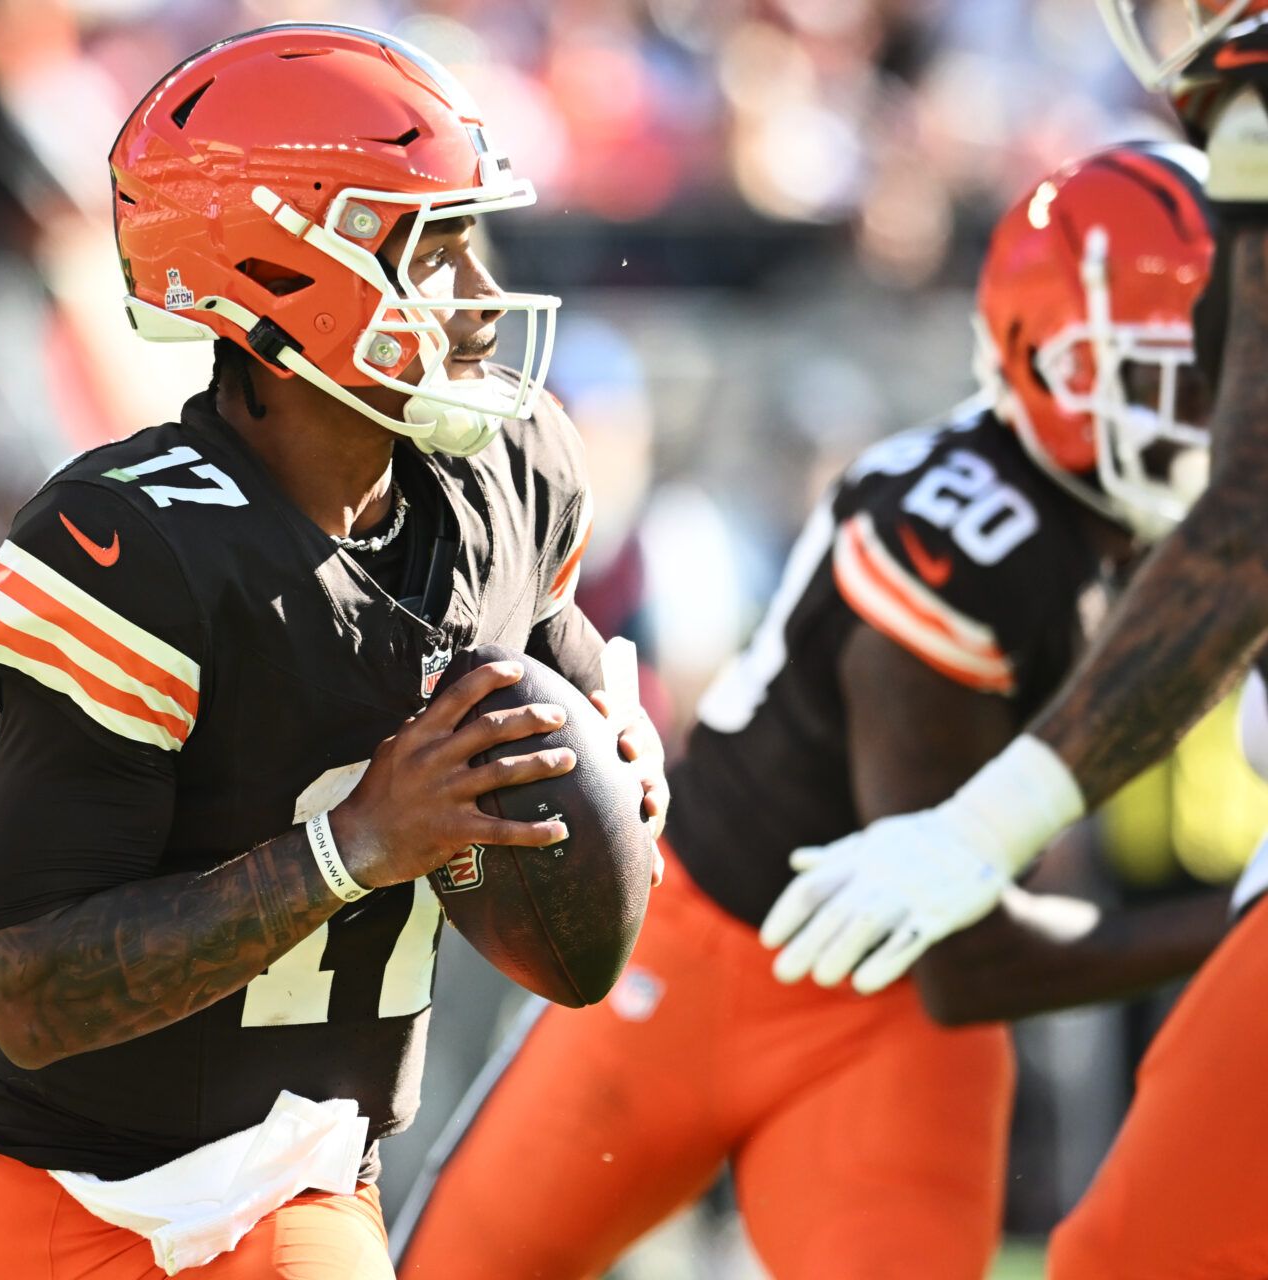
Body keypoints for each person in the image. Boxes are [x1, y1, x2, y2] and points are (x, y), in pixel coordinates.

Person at [0, 23, 665, 1280]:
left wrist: (614, 725)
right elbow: (31, 991)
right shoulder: (130, 543)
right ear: (280, 273)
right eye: (428, 245)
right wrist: (351, 850)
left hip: (295, 1183)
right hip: (41, 1186)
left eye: (468, 238)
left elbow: (553, 646)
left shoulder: (511, 474)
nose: (474, 294)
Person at [393, 142, 1234, 1280]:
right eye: (1187, 370)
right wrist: (1243, 929)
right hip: (704, 957)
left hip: (887, 1031)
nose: (1222, 407)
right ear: (1066, 361)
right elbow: (966, 952)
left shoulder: (1180, 531)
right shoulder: (961, 539)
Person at [755, 7, 1268, 1275]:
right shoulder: (969, 522)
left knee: (1137, 1250)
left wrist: (989, 825)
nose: (1201, 401)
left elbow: (1243, 524)